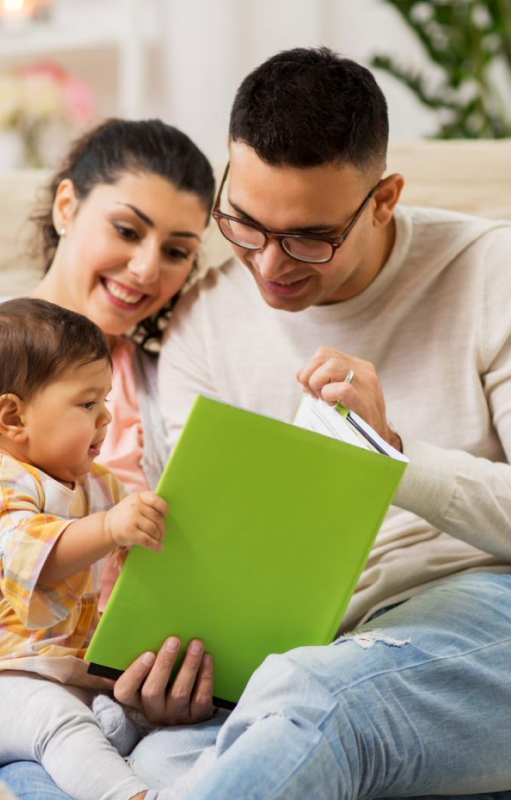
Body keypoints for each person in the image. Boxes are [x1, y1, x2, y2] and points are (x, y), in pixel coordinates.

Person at [134, 47, 511, 799]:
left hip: (475, 606)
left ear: (383, 198)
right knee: (155, 758)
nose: (270, 266)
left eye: (309, 237)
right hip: (298, 650)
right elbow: (209, 557)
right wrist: (176, 671)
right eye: (242, 224)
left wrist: (389, 454)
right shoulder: (203, 321)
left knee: (316, 701)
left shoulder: (488, 270)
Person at [0, 118, 216, 800]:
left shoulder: (177, 395)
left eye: (178, 250)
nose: (148, 267)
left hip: (91, 705)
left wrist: (168, 685)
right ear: (67, 207)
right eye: (127, 230)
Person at [0, 297, 170, 800]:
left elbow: (138, 563)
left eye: (105, 399)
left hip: (56, 670)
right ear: (13, 417)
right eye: (87, 403)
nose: (106, 417)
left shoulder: (97, 485)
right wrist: (111, 528)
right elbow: (31, 555)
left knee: (127, 714)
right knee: (56, 718)